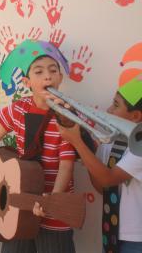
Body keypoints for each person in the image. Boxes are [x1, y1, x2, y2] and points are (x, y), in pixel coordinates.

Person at [0, 39, 77, 253]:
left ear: (60, 78)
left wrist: (51, 200)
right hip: (20, 204)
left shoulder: (67, 115)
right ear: (27, 82)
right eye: (39, 72)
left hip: (54, 209)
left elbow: (66, 167)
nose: (47, 76)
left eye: (53, 71)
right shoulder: (18, 109)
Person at [54, 77, 142, 253]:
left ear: (135, 116)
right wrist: (83, 140)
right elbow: (101, 187)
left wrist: (77, 142)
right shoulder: (110, 141)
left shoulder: (138, 146)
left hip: (137, 238)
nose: (108, 110)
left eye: (116, 105)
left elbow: (108, 179)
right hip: (111, 233)